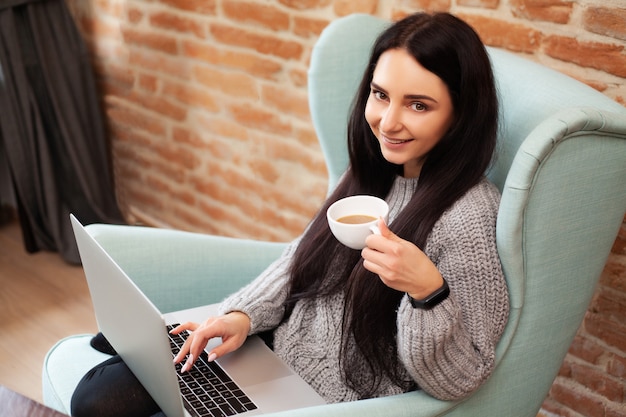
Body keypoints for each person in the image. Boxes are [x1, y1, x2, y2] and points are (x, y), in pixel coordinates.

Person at [71, 11, 509, 416]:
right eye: (380, 95)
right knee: (95, 394)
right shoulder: (375, 171)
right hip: (271, 354)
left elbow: (463, 377)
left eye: (418, 105)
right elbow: (303, 257)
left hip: (326, 403)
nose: (388, 122)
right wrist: (241, 315)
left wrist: (427, 293)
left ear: (460, 114)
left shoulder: (466, 215)